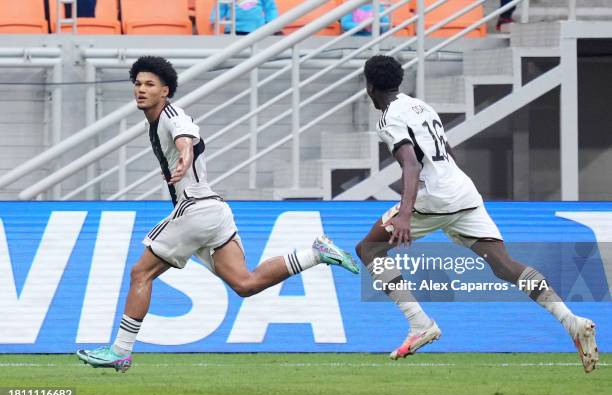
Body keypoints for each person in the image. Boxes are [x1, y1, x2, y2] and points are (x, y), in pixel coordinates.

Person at [76, 56, 359, 372]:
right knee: (245, 284)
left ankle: (121, 351)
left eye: (149, 85)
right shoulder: (155, 120)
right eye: (138, 84)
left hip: (195, 209)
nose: (141, 90)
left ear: (165, 90)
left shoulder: (172, 114)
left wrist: (184, 154)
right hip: (215, 211)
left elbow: (186, 135)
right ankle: (315, 254)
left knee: (141, 274)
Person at [356, 55, 599, 373]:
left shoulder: (388, 118)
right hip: (462, 190)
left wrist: (404, 214)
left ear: (370, 87)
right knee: (504, 265)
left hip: (435, 197)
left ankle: (420, 324)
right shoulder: (421, 106)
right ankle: (571, 321)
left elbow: (412, 165)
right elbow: (446, 151)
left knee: (369, 249)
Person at [210, 0, 278, 35]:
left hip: (256, 28)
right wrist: (214, 20)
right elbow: (220, 6)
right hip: (233, 29)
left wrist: (271, 21)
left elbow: (270, 8)